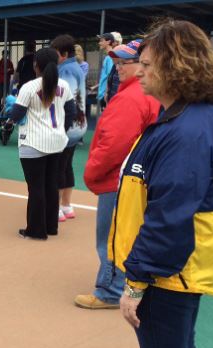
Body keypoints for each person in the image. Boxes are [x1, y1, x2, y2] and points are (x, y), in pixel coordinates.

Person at [113, 20, 213, 348]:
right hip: (186, 265)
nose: (140, 72)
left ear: (176, 66)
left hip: (169, 272)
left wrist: (135, 282)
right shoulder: (200, 114)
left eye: (149, 65)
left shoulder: (187, 129)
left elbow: (169, 218)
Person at [75, 39, 161, 310]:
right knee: (134, 234)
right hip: (140, 177)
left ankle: (110, 290)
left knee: (112, 238)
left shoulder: (131, 97)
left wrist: (93, 173)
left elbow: (113, 143)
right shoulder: (150, 92)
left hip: (121, 179)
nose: (119, 66)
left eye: (127, 61)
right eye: (118, 61)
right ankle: (132, 284)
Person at [5, 48, 76, 240]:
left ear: (37, 65)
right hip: (57, 142)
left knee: (36, 187)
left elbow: (16, 115)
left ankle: (36, 230)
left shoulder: (29, 87)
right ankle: (51, 227)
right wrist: (61, 127)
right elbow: (71, 112)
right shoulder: (64, 86)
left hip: (33, 142)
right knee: (51, 184)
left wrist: (8, 114)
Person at [51, 35, 87, 223]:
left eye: (55, 53)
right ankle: (66, 205)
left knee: (58, 167)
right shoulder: (78, 67)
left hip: (67, 127)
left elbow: (66, 100)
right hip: (78, 127)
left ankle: (56, 207)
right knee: (67, 166)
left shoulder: (65, 70)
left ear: (63, 54)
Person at [95, 32, 122, 110]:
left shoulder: (111, 57)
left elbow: (111, 77)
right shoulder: (108, 57)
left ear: (108, 42)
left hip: (106, 95)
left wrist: (106, 94)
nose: (99, 43)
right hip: (104, 94)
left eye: (101, 40)